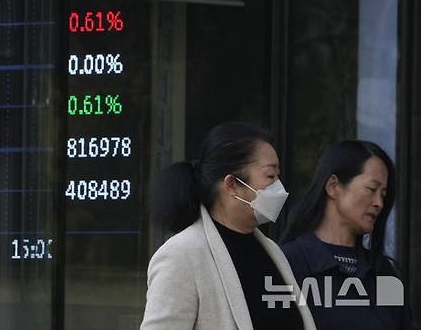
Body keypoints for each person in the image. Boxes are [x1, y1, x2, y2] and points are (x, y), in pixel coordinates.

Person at [141, 122, 316, 330]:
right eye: (270, 176)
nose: (278, 186)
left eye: (278, 176)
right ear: (231, 185)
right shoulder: (182, 255)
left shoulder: (272, 251)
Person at [280, 140, 418, 329]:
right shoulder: (288, 263)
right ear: (333, 186)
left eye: (383, 194)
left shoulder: (383, 272)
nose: (379, 203)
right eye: (371, 189)